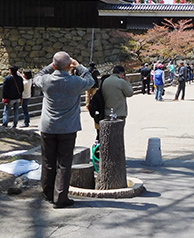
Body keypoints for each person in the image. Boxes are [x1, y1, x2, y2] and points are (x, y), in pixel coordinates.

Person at [33, 52, 94, 208]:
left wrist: (52, 66)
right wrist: (78, 66)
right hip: (68, 127)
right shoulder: (75, 81)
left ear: (54, 65)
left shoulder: (46, 81)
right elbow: (91, 80)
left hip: (48, 127)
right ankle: (60, 197)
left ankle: (48, 193)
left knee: (48, 161)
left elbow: (37, 76)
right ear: (69, 66)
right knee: (64, 164)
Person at [101, 65, 134, 132]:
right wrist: (127, 82)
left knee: (109, 134)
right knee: (118, 134)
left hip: (107, 112)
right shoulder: (121, 82)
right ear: (122, 74)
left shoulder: (105, 81)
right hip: (119, 113)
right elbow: (130, 93)